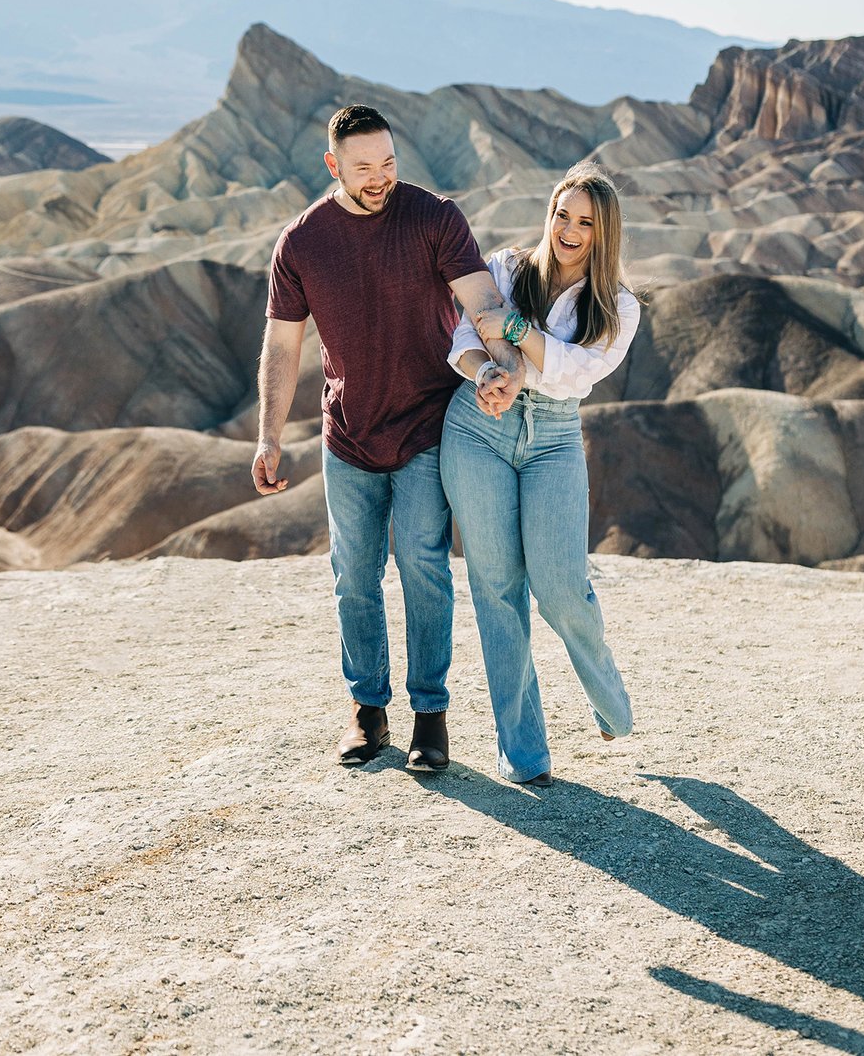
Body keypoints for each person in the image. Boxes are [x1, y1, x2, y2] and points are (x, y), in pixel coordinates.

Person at [251, 104, 524, 772]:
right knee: (353, 576)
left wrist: (505, 364)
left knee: (424, 569)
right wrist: (268, 436)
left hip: (427, 427)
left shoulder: (434, 216)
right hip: (347, 436)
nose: (380, 178)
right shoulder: (303, 242)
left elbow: (483, 301)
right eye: (364, 167)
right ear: (333, 165)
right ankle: (367, 712)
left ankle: (430, 717)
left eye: (389, 163)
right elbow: (282, 347)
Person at [440, 161, 641, 787]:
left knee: (559, 585)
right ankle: (523, 753)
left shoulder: (618, 309)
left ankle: (608, 698)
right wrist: (487, 374)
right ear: (549, 213)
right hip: (478, 428)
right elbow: (461, 338)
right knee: (496, 588)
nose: (571, 230)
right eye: (563, 214)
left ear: (605, 234)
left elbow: (574, 373)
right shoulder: (505, 269)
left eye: (587, 222)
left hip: (553, 437)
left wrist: (518, 336)